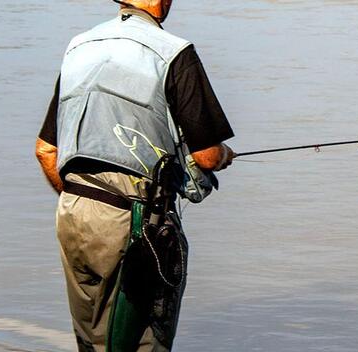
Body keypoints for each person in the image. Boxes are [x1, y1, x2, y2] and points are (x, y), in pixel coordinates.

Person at [35, 0, 236, 350]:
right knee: (145, 339)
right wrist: (223, 155)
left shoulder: (79, 46)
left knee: (93, 340)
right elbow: (205, 155)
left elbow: (45, 150)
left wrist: (82, 199)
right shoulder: (174, 52)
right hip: (133, 218)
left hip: (72, 210)